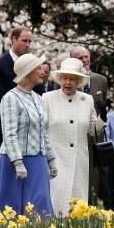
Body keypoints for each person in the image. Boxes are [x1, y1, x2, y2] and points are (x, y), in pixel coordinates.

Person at [0, 54, 57, 216]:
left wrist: (51, 159)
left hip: (38, 160)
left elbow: (43, 132)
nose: (42, 72)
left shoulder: (38, 99)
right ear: (27, 72)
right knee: (10, 208)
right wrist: (17, 162)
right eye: (38, 68)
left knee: (40, 203)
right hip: (15, 161)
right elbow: (9, 134)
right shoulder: (10, 98)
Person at [42, 58, 105, 216]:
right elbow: (41, 130)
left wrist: (102, 117)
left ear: (78, 82)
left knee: (78, 203)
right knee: (56, 200)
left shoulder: (87, 100)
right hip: (55, 160)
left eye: (72, 79)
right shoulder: (47, 98)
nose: (68, 83)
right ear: (60, 79)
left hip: (79, 160)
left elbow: (92, 131)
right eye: (65, 78)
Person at [0, 26, 46, 152]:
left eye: (29, 42)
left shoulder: (33, 62)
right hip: (9, 124)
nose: (28, 45)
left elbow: (41, 92)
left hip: (33, 126)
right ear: (14, 39)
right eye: (24, 41)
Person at [69, 45, 109, 205]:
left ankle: (91, 207)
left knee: (95, 176)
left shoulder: (101, 80)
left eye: (87, 56)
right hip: (74, 135)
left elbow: (102, 109)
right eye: (80, 58)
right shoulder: (67, 81)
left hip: (95, 137)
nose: (85, 60)